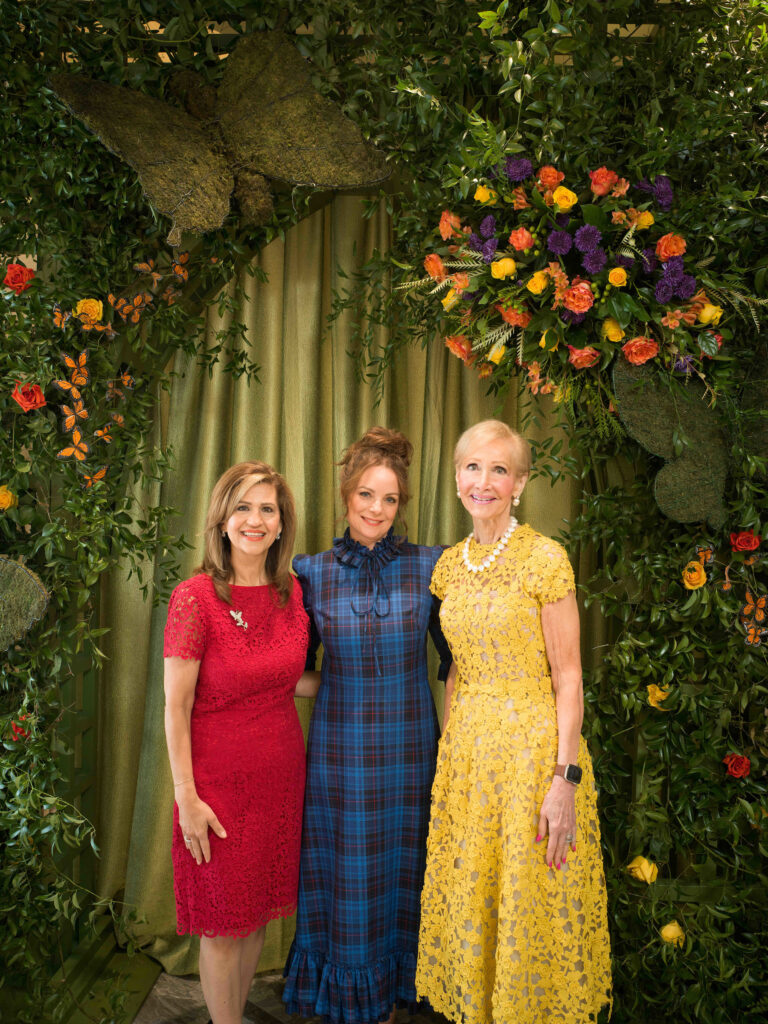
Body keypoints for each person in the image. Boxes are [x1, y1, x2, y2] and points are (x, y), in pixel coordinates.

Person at [415, 419, 611, 1024]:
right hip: (470, 760)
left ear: (521, 482)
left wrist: (564, 778)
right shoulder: (449, 567)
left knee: (535, 906)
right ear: (455, 478)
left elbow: (570, 677)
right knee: (476, 901)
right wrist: (451, 747)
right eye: (473, 467)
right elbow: (454, 669)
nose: (484, 481)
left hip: (533, 759)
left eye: (499, 469)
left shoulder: (544, 560)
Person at [282, 427, 452, 1024]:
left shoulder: (432, 566)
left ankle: (403, 988)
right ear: (346, 495)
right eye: (366, 495)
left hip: (411, 750)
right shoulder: (310, 573)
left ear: (401, 505)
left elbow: (458, 662)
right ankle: (353, 999)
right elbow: (296, 671)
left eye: (389, 499)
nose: (376, 509)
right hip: (339, 755)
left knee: (407, 868)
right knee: (349, 877)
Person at [163, 461, 319, 1024]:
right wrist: (187, 796)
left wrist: (365, 684)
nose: (255, 519)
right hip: (216, 787)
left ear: (282, 524)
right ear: (223, 519)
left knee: (255, 917)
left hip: (279, 777)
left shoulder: (291, 593)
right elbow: (175, 704)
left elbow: (285, 678)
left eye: (267, 509)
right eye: (244, 507)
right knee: (224, 926)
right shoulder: (195, 597)